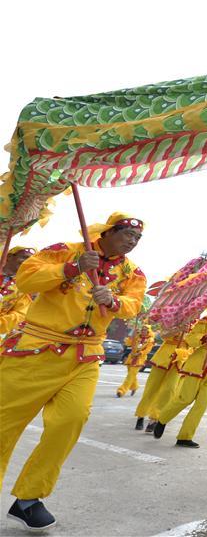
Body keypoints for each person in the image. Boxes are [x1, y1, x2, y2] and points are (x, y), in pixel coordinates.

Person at [0, 213, 146, 531]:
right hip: (36, 350)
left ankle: (29, 498)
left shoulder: (133, 273)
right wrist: (72, 267)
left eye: (137, 239)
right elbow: (27, 279)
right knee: (3, 424)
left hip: (85, 356)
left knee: (71, 420)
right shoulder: (64, 249)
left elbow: (135, 303)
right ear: (109, 232)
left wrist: (116, 301)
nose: (132, 241)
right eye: (127, 235)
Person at [153, 296, 207, 447]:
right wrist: (205, 337)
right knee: (185, 398)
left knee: (202, 405)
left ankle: (185, 437)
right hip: (199, 363)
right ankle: (162, 419)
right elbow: (191, 339)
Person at [134, 321, 194, 431]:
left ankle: (154, 418)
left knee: (169, 390)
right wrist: (178, 329)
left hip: (180, 360)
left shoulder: (198, 324)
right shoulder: (174, 318)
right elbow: (162, 335)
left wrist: (189, 336)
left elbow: (195, 343)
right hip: (163, 357)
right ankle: (141, 415)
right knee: (151, 388)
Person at [0, 246, 35, 335]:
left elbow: (21, 314)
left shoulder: (22, 287)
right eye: (25, 257)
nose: (27, 262)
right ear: (9, 257)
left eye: (31, 260)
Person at [116, 324, 155, 397]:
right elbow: (128, 344)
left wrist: (140, 353)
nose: (143, 331)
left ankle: (121, 390)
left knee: (130, 375)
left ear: (148, 331)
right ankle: (134, 386)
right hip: (132, 357)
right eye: (142, 330)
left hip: (140, 358)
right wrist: (132, 336)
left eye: (145, 330)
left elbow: (148, 350)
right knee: (131, 374)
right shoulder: (137, 337)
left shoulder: (150, 340)